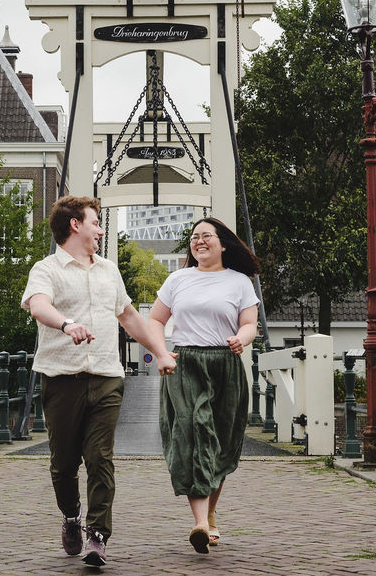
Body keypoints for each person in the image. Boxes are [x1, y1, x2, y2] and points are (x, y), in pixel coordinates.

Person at [22, 195, 175, 568]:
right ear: (75, 224)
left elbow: (130, 317)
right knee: (62, 464)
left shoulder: (109, 271)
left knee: (100, 459)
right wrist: (66, 324)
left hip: (107, 376)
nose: (101, 230)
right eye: (96, 222)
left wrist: (163, 351)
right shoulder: (46, 269)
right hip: (62, 379)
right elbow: (39, 305)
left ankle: (98, 536)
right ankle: (72, 516)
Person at [144, 216, 259, 553]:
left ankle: (209, 515)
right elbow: (155, 319)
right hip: (185, 364)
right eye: (194, 237)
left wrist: (241, 338)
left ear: (223, 243)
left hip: (225, 364)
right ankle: (198, 523)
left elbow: (250, 323)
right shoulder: (178, 279)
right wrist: (162, 352)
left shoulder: (239, 282)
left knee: (220, 440)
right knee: (193, 433)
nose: (199, 241)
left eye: (206, 236)